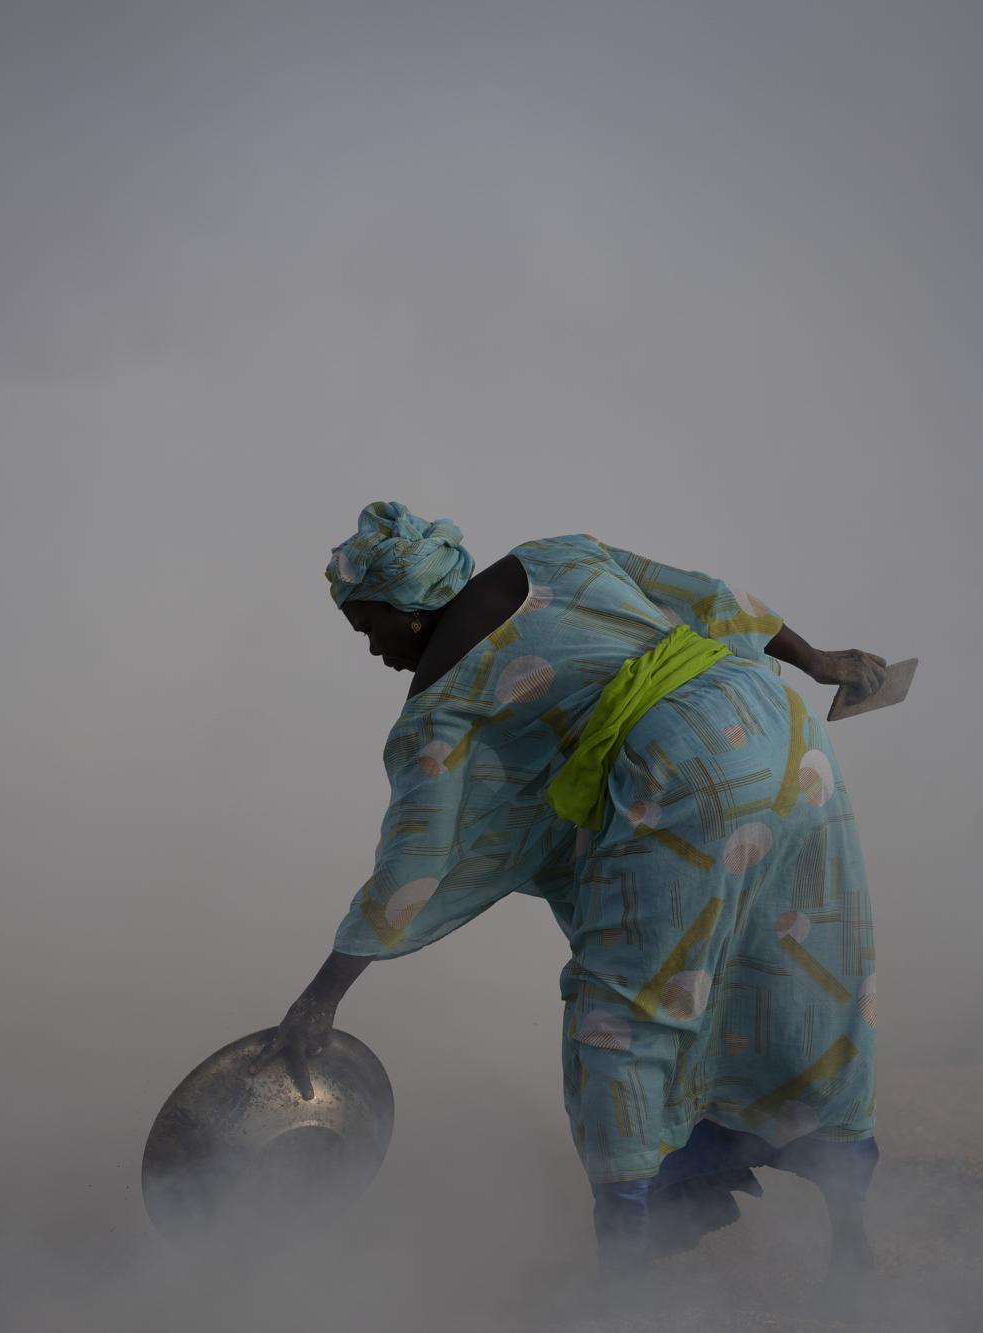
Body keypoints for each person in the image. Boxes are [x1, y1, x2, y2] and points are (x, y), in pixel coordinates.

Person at [258, 500, 886, 1289]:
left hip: (682, 779)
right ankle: (852, 1242)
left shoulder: (437, 710)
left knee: (619, 1017)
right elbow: (716, 598)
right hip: (781, 725)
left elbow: (407, 873)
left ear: (402, 608)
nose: (372, 650)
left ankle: (623, 1276)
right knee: (804, 968)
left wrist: (322, 997)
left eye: (367, 628)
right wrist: (821, 661)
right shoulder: (557, 554)